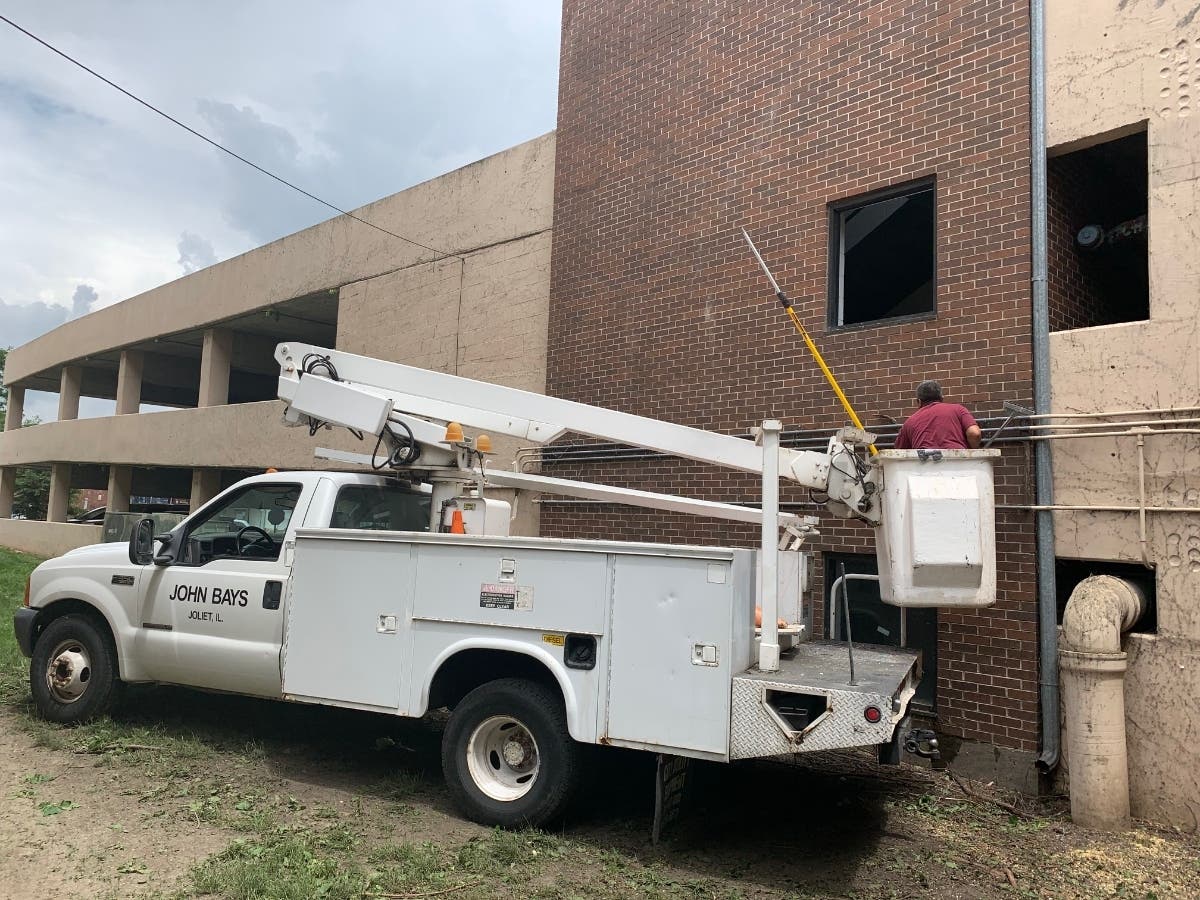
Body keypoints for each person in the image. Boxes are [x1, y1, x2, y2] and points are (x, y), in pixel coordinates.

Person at [894, 380, 982, 450]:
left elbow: (898, 453)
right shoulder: (958, 409)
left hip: (924, 468)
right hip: (958, 466)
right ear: (941, 398)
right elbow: (974, 433)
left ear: (919, 402)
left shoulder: (909, 422)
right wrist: (971, 453)